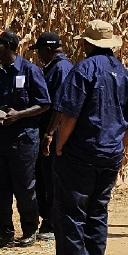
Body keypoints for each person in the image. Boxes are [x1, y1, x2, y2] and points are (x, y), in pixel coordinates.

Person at [40, 20, 128, 255]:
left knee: (71, 216)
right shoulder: (122, 73)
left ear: (87, 44)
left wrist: (60, 145)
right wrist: (120, 150)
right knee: (97, 215)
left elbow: (70, 114)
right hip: (109, 155)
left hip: (80, 154)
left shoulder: (84, 69)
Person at [0, 30, 51, 248]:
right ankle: (4, 231)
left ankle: (29, 230)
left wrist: (18, 115)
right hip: (0, 139)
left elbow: (44, 103)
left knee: (24, 187)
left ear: (9, 46)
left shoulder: (30, 71)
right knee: (0, 187)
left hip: (24, 139)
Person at [31, 32, 75, 243]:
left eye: (39, 51)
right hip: (48, 129)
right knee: (43, 176)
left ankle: (52, 221)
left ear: (48, 50)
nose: (38, 55)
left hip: (54, 131)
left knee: (51, 178)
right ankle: (48, 218)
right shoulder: (53, 67)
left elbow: (59, 105)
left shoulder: (61, 69)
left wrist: (49, 133)